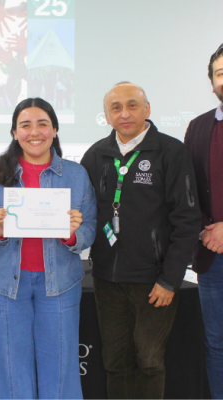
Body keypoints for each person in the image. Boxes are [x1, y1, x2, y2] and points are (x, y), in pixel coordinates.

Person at [0, 97, 97, 399]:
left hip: (60, 284)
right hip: (5, 286)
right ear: (15, 133)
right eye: (25, 125)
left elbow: (90, 228)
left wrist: (72, 235)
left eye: (42, 124)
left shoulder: (75, 174)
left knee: (61, 372)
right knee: (10, 373)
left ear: (55, 130)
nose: (34, 132)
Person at [80, 82, 201, 399]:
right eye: (116, 107)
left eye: (132, 105)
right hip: (107, 279)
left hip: (154, 282)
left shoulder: (171, 152)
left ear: (147, 109)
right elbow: (81, 210)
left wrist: (170, 279)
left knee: (149, 362)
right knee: (115, 363)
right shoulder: (95, 155)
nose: (124, 113)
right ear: (106, 115)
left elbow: (187, 220)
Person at [184, 43, 223, 399]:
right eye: (220, 73)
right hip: (213, 257)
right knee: (217, 345)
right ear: (211, 83)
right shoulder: (198, 127)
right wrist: (204, 230)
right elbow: (188, 190)